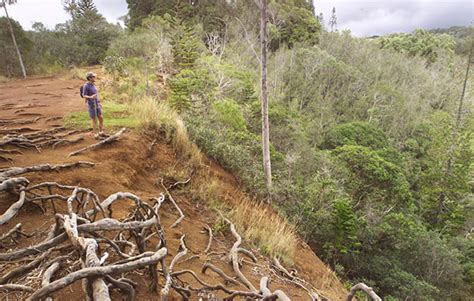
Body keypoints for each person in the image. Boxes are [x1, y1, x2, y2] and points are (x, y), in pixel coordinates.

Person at [82, 72, 103, 138]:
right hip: (91, 105)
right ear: (90, 78)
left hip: (97, 104)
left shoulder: (93, 84)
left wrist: (99, 102)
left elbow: (96, 94)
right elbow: (84, 95)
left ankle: (101, 131)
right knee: (94, 120)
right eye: (93, 77)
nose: (95, 78)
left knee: (101, 118)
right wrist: (90, 97)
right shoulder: (86, 85)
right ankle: (95, 134)